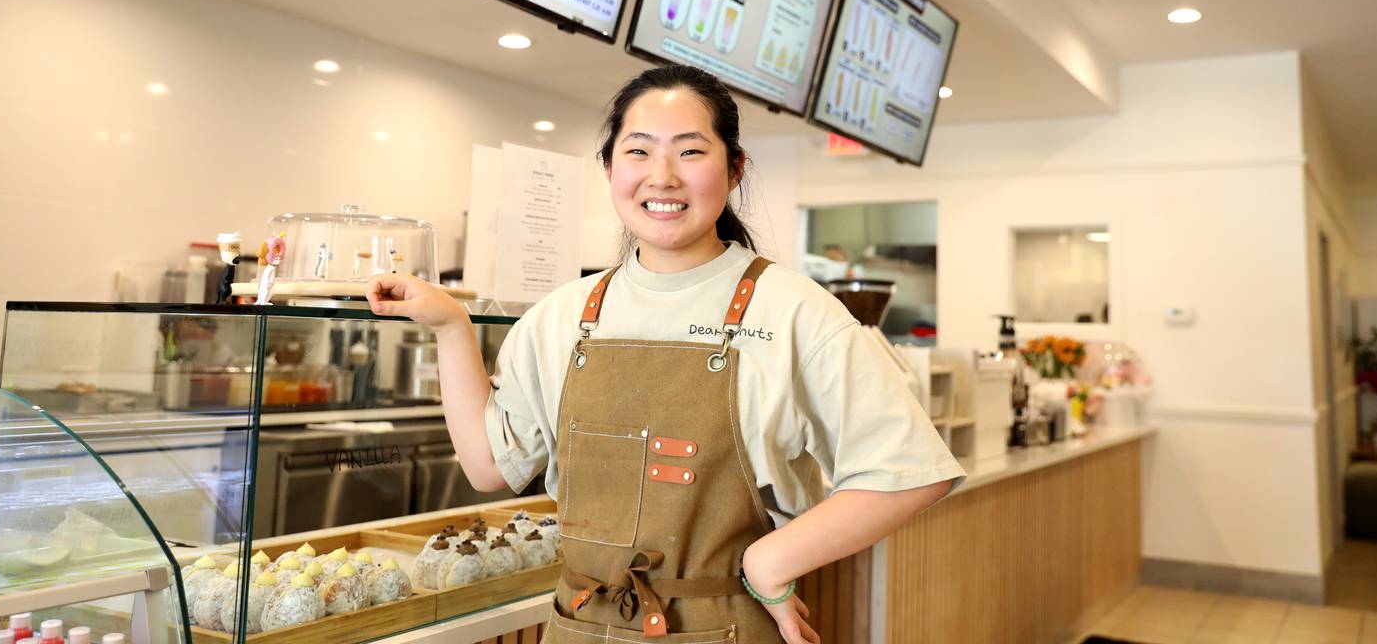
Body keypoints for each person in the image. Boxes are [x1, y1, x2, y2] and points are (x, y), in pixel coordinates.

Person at [367, 66, 964, 644]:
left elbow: (908, 471)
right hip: (577, 624)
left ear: (734, 169)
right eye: (638, 151)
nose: (662, 176)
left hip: (725, 628)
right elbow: (489, 467)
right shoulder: (560, 316)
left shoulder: (796, 311)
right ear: (609, 168)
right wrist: (450, 325)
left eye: (690, 151)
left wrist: (770, 561)